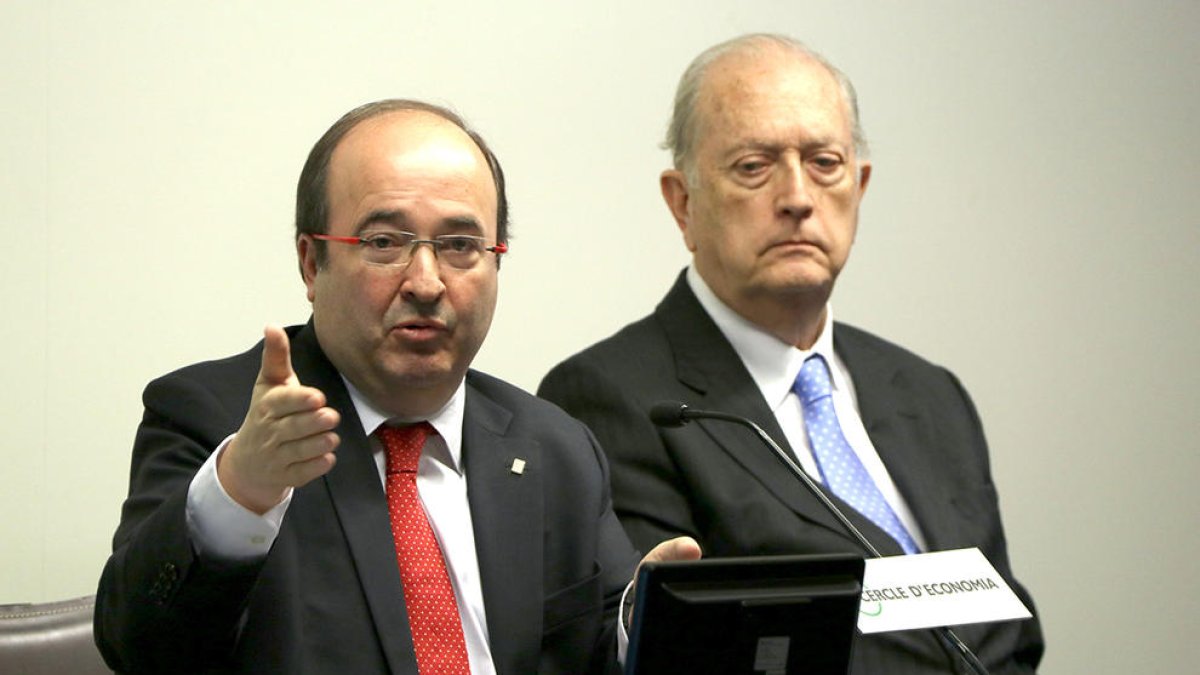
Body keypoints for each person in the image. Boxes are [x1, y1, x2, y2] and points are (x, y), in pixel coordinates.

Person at [95, 99, 698, 675]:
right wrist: (240, 492)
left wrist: (643, 626)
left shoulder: (556, 446)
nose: (427, 282)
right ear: (311, 262)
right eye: (385, 243)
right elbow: (140, 649)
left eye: (461, 246)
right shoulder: (214, 421)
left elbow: (590, 651)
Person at [538, 34, 1044, 673]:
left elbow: (1007, 631)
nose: (798, 198)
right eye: (754, 166)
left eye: (825, 163)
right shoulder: (610, 397)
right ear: (683, 202)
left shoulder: (928, 392)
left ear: (859, 187)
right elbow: (694, 654)